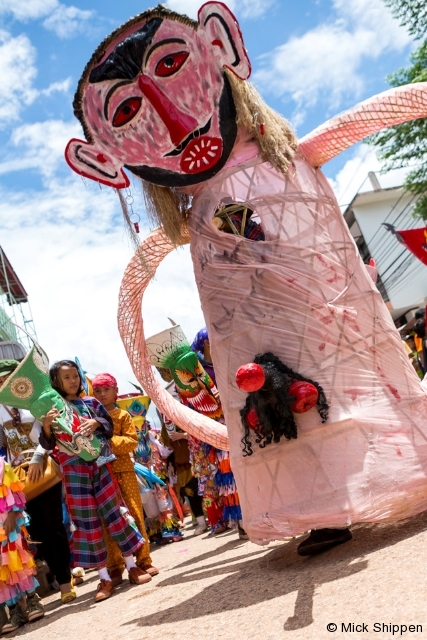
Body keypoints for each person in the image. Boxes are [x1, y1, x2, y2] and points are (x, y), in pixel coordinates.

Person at [39, 360, 144, 603]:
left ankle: (132, 567)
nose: (73, 381)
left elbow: (107, 426)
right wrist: (46, 425)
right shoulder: (51, 409)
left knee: (115, 512)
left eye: (75, 376)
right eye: (66, 377)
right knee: (86, 523)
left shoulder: (91, 403)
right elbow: (47, 444)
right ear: (56, 382)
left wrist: (96, 422)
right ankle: (104, 578)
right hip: (73, 472)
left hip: (99, 465)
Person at [0, 359, 74, 605]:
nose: (3, 384)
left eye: (6, 379)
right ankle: (56, 573)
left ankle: (65, 581)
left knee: (54, 524)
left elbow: (51, 432)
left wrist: (39, 457)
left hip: (44, 469)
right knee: (35, 531)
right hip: (17, 479)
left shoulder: (34, 401)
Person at [92, 373, 158, 586]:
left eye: (106, 390)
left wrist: (107, 436)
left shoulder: (122, 416)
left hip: (124, 472)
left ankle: (144, 560)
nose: (102, 395)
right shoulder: (90, 418)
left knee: (134, 514)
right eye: (98, 391)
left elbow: (131, 442)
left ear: (115, 392)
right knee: (108, 520)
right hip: (102, 475)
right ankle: (115, 566)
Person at [0, 456, 45, 633]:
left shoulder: (2, 467)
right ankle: (15, 611)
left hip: (7, 523)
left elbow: (15, 491)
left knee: (18, 561)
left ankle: (33, 600)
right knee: (2, 571)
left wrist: (12, 514)